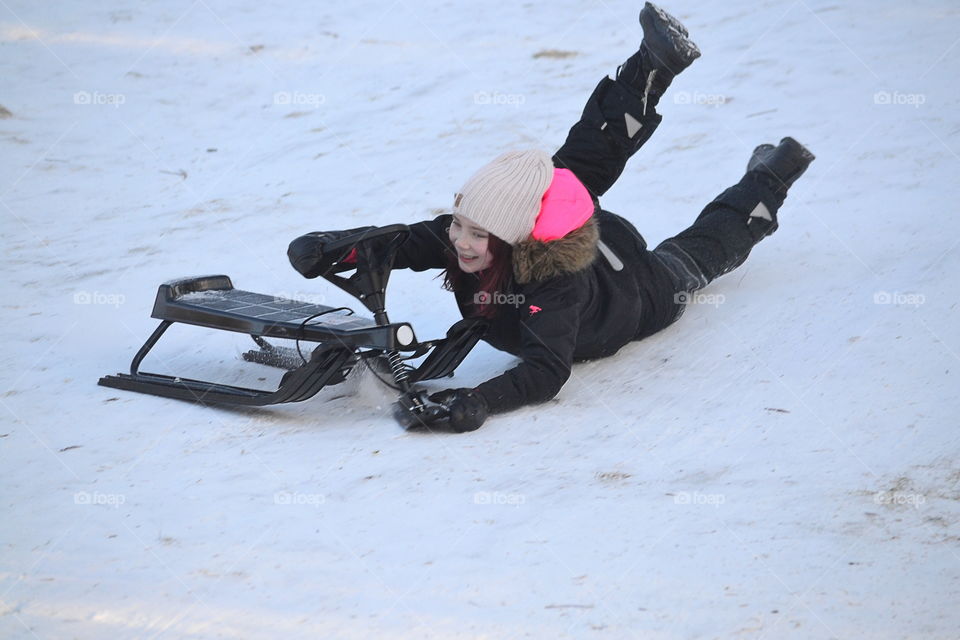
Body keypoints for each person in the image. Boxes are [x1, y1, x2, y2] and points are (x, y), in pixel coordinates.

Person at [288, 2, 815, 432]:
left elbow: (546, 370)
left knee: (701, 250)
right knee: (577, 163)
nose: (461, 242)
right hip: (579, 238)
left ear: (515, 236)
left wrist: (477, 400)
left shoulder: (550, 286)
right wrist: (340, 246)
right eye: (459, 225)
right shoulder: (481, 230)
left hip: (641, 291)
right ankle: (652, 66)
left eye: (476, 233)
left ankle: (771, 178)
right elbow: (407, 243)